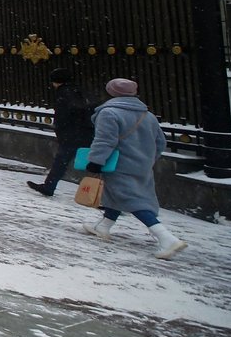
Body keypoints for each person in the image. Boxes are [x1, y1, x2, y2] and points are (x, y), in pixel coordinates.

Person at [82, 78, 187, 259]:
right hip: (142, 164)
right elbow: (160, 142)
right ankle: (104, 226)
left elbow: (105, 140)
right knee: (117, 194)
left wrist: (96, 160)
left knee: (133, 200)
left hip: (118, 164)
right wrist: (147, 159)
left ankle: (166, 238)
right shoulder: (148, 115)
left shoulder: (109, 113)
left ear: (110, 93)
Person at [27, 67, 94, 197]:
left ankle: (49, 186)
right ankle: (107, 195)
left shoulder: (63, 93)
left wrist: (61, 132)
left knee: (61, 162)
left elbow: (63, 116)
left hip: (71, 134)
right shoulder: (80, 91)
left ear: (56, 81)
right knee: (92, 163)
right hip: (88, 131)